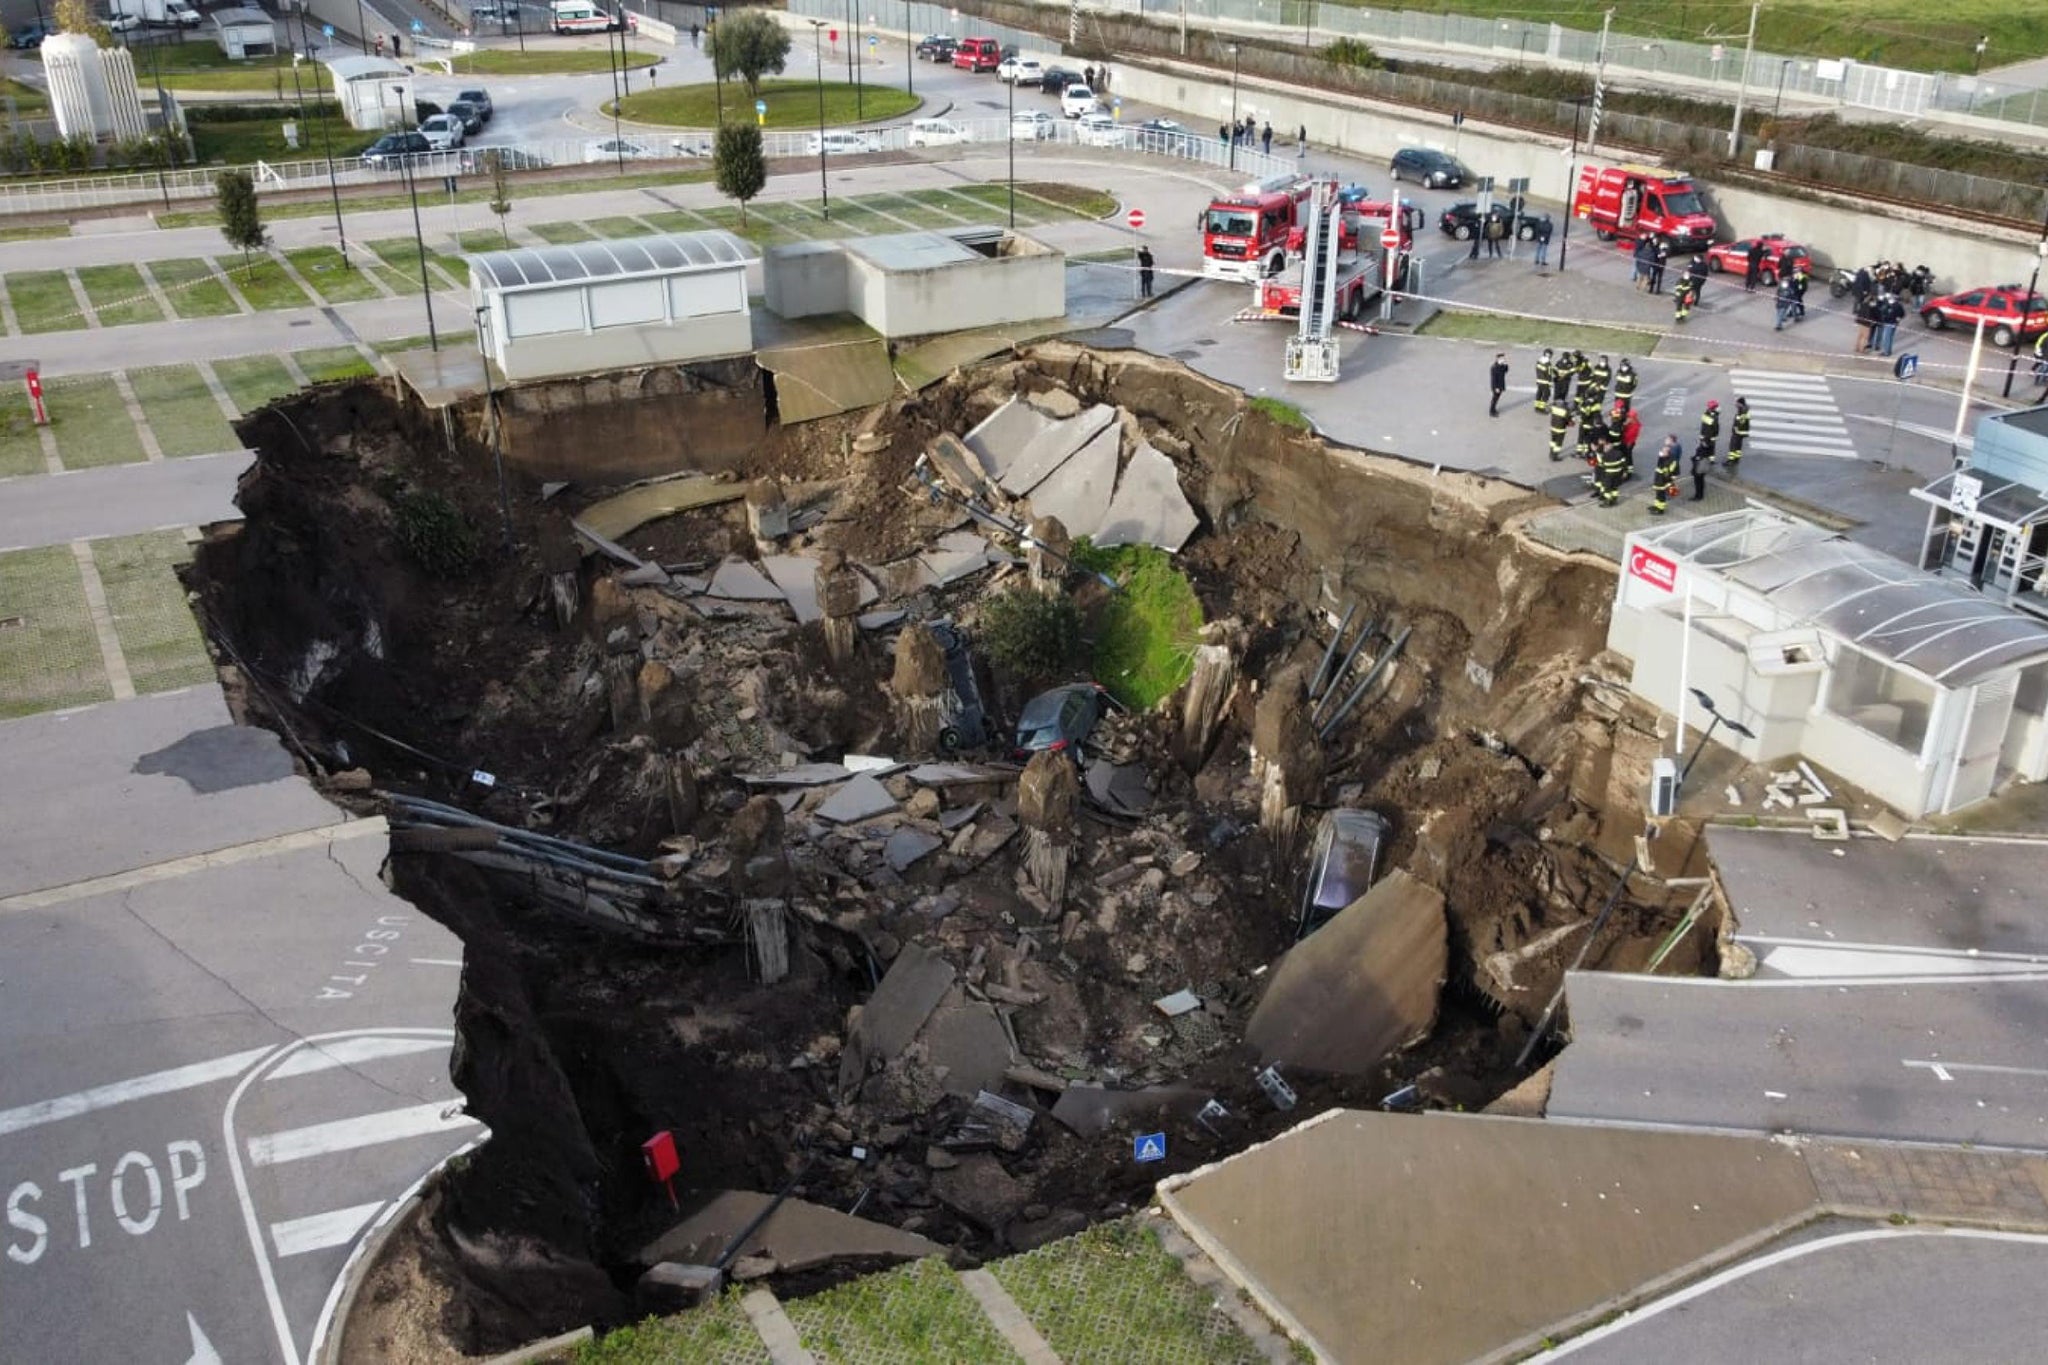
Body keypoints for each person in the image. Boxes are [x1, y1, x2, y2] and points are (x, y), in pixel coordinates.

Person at [1650, 436, 1680, 515]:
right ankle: (1656, 506)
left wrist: (1671, 478)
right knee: (1657, 494)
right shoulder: (1663, 458)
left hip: (1663, 481)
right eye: (1662, 451)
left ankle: (1660, 509)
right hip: (1658, 479)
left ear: (1668, 453)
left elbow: (1673, 471)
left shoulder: (1671, 460)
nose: (1661, 452)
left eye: (1663, 451)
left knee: (1661, 495)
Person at [1597, 437, 1629, 508]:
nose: (1604, 448)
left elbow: (1602, 464)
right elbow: (1624, 463)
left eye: (1605, 447)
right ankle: (1614, 500)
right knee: (1614, 487)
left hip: (1609, 474)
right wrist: (1625, 471)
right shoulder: (1619, 453)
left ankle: (1608, 501)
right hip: (1618, 473)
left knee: (1607, 488)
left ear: (1608, 448)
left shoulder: (1605, 456)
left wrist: (1600, 446)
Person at [1727, 396, 1749, 474]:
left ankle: (1731, 460)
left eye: (1737, 403)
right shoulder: (1744, 410)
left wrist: (1736, 428)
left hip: (1738, 432)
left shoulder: (1742, 412)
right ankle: (1736, 459)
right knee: (1738, 447)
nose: (1736, 404)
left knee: (1733, 446)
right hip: (1740, 432)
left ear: (1741, 404)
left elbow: (1741, 422)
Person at [1547, 396, 1571, 462]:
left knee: (1553, 441)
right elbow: (1569, 420)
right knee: (1558, 444)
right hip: (1561, 430)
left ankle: (1551, 453)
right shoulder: (1565, 410)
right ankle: (1555, 456)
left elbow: (1547, 409)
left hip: (1553, 428)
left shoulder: (1554, 408)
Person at [1697, 399, 1721, 464]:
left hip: (1704, 434)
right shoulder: (1714, 417)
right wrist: (1715, 434)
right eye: (1716, 407)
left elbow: (1704, 426)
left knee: (1703, 446)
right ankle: (1710, 459)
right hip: (1710, 435)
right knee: (1710, 448)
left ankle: (1700, 457)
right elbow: (1714, 428)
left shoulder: (1706, 414)